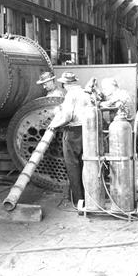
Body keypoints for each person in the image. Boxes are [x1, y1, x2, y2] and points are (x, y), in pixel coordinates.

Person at [47, 72, 94, 205]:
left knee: (72, 166)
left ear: (65, 84)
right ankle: (90, 198)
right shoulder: (85, 93)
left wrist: (54, 125)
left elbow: (67, 117)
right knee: (86, 164)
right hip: (87, 131)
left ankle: (78, 200)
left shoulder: (70, 95)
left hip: (73, 132)